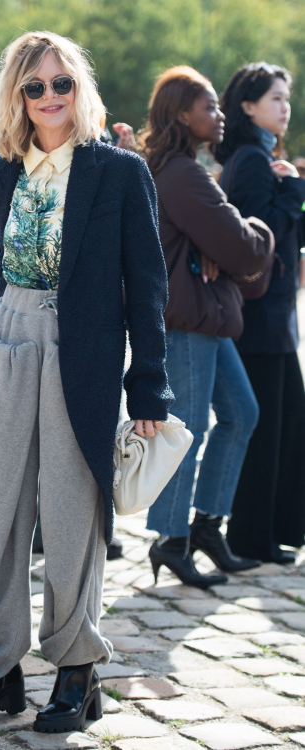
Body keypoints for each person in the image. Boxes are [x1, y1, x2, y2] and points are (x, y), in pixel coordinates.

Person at [0, 30, 172, 735]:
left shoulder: (119, 172)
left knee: (74, 514)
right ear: (16, 95)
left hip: (86, 352)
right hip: (10, 343)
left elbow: (149, 286)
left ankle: (76, 671)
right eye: (34, 86)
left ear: (81, 90)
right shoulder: (1, 170)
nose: (49, 97)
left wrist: (149, 388)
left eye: (61, 83)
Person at [140, 67, 274, 588]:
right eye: (209, 107)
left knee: (241, 414)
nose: (218, 116)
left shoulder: (182, 171)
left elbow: (223, 247)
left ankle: (206, 528)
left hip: (207, 318)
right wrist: (257, 227)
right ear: (180, 113)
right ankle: (171, 539)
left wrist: (216, 245)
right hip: (187, 321)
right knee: (186, 433)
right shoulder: (180, 173)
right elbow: (242, 246)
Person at [215, 63, 305, 563]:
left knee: (288, 422)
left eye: (286, 98)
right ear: (247, 106)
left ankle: (278, 527)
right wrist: (293, 193)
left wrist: (296, 193)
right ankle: (251, 535)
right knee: (266, 427)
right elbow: (257, 239)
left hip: (277, 318)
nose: (284, 107)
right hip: (259, 318)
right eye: (275, 98)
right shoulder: (251, 160)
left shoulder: (266, 157)